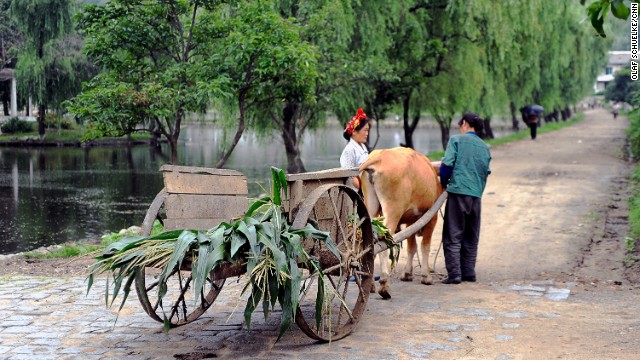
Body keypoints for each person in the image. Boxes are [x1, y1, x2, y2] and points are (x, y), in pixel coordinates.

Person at [438, 112, 492, 284]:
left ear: (466, 124)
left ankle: (454, 274)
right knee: (471, 235)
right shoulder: (484, 147)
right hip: (476, 196)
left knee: (453, 234)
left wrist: (445, 182)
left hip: (458, 193)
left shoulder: (457, 140)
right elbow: (485, 172)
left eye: (461, 124)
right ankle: (469, 272)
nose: (460, 128)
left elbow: (446, 165)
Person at [340, 107, 370, 189]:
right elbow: (349, 176)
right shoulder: (349, 150)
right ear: (354, 132)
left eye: (368, 130)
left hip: (366, 187)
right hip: (355, 192)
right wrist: (363, 189)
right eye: (365, 130)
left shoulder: (362, 146)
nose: (367, 133)